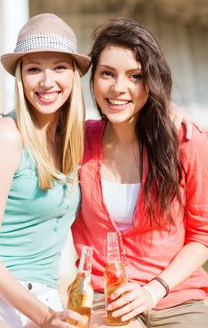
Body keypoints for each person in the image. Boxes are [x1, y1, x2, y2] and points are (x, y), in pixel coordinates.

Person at [71, 18, 208, 327]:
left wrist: (153, 290)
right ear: (93, 79)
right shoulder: (77, 140)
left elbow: (203, 234)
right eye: (107, 74)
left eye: (135, 76)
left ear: (151, 83)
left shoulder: (187, 141)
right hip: (104, 297)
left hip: (176, 297)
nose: (119, 88)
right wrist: (2, 123)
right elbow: (33, 131)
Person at [0, 13, 90, 328]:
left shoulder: (78, 138)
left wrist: (171, 113)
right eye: (34, 69)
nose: (46, 81)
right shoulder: (7, 136)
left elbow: (130, 120)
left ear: (74, 75)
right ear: (20, 77)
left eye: (59, 67)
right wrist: (46, 317)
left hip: (45, 296)